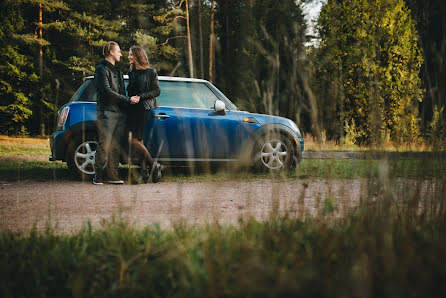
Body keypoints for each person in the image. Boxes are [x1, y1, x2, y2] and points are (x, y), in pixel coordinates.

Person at [93, 41, 140, 185]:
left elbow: (120, 91)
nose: (121, 54)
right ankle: (98, 176)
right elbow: (107, 92)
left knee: (116, 145)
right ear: (111, 52)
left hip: (120, 113)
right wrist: (128, 99)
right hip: (106, 113)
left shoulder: (118, 71)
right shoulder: (101, 69)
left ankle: (113, 175)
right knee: (105, 144)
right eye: (118, 51)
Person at [127, 45, 164, 183]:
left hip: (144, 109)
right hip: (132, 109)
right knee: (139, 141)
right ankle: (144, 172)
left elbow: (157, 91)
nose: (129, 57)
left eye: (131, 54)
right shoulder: (131, 72)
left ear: (137, 56)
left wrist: (140, 97)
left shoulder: (151, 72)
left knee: (133, 140)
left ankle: (154, 165)